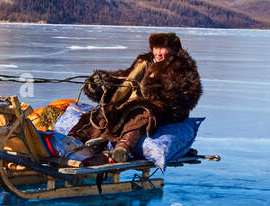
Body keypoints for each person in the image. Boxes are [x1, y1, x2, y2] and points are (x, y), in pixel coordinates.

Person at [75, 32, 202, 163]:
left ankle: (123, 147)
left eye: (161, 48)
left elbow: (187, 95)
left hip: (165, 111)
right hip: (134, 103)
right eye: (155, 48)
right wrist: (103, 82)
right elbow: (124, 77)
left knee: (140, 113)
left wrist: (152, 89)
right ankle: (74, 140)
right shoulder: (145, 61)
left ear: (173, 49)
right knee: (104, 112)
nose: (157, 52)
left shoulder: (182, 67)